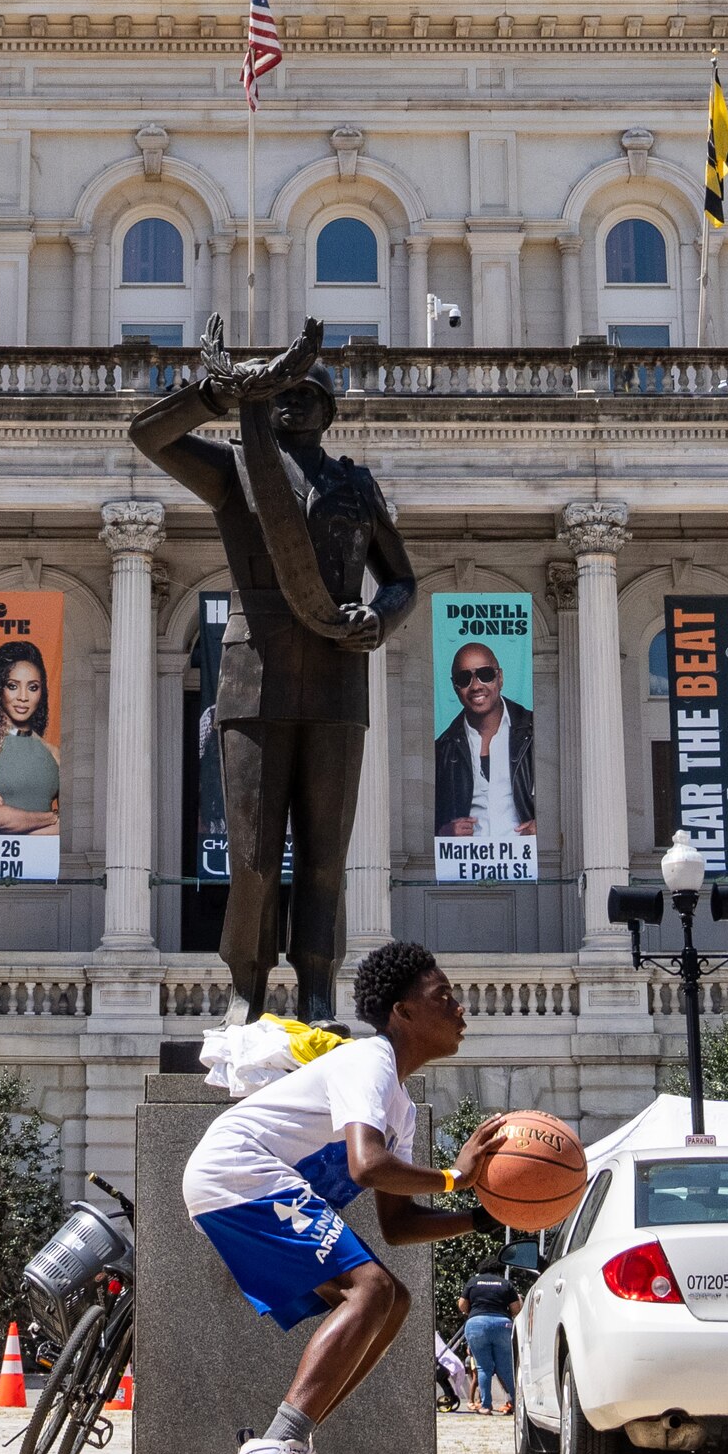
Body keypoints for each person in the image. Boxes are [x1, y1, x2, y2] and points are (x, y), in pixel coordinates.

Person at [131, 326, 416, 1019]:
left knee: (325, 855)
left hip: (336, 676)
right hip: (252, 675)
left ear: (329, 410)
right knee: (253, 858)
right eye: (281, 393)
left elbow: (402, 580)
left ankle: (319, 989)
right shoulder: (237, 469)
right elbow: (148, 438)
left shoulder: (356, 484)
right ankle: (245, 989)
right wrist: (214, 393)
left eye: (305, 393)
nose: (291, 404)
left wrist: (379, 619)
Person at [178, 940, 504, 1454]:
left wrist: (481, 1216)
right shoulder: (368, 1061)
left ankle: (287, 1449)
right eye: (444, 997)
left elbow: (398, 1225)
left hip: (241, 1179)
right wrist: (457, 1176)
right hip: (239, 1170)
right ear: (403, 1013)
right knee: (370, 1289)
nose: (460, 1008)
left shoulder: (397, 1101)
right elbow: (367, 1165)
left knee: (391, 1299)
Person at [428, 643, 536, 847]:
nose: (476, 686)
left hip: (526, 864)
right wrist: (442, 832)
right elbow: (423, 817)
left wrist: (546, 827)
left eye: (485, 674)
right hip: (467, 867)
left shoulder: (536, 732)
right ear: (455, 687)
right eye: (464, 679)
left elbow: (566, 794)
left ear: (500, 678)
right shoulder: (443, 749)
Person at [0, 639, 63, 837]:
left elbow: (69, 830)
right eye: (12, 685)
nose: (23, 697)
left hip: (43, 863)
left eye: (33, 687)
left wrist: (10, 819)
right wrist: (51, 817)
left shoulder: (54, 754)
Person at [456, 1252, 520, 1413]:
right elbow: (516, 1309)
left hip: (476, 1324)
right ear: (499, 1269)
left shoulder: (473, 1282)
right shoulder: (505, 1284)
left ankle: (485, 1406)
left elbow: (462, 1305)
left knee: (483, 1368)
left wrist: (474, 1310)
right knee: (506, 1367)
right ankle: (517, 1403)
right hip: (501, 1324)